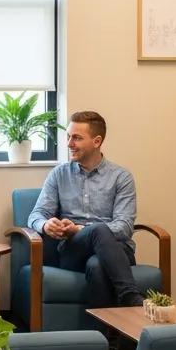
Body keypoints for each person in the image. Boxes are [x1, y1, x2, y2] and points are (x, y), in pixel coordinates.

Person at [27, 110, 144, 310]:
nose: (69, 143)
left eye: (77, 138)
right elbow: (35, 216)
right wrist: (46, 224)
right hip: (74, 250)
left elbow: (124, 228)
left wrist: (81, 229)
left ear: (97, 141)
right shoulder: (59, 175)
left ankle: (106, 339)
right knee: (98, 229)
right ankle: (130, 296)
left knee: (97, 265)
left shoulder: (121, 177)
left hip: (116, 251)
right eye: (68, 137)